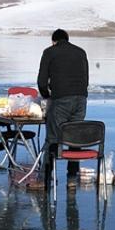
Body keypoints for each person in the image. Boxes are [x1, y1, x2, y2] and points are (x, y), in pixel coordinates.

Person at [38, 29, 90, 188]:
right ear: (67, 39)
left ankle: (44, 179)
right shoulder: (81, 52)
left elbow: (41, 81)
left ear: (54, 41)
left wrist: (47, 96)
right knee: (75, 137)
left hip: (61, 99)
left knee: (53, 138)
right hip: (81, 99)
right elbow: (86, 78)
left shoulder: (49, 52)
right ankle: (72, 179)